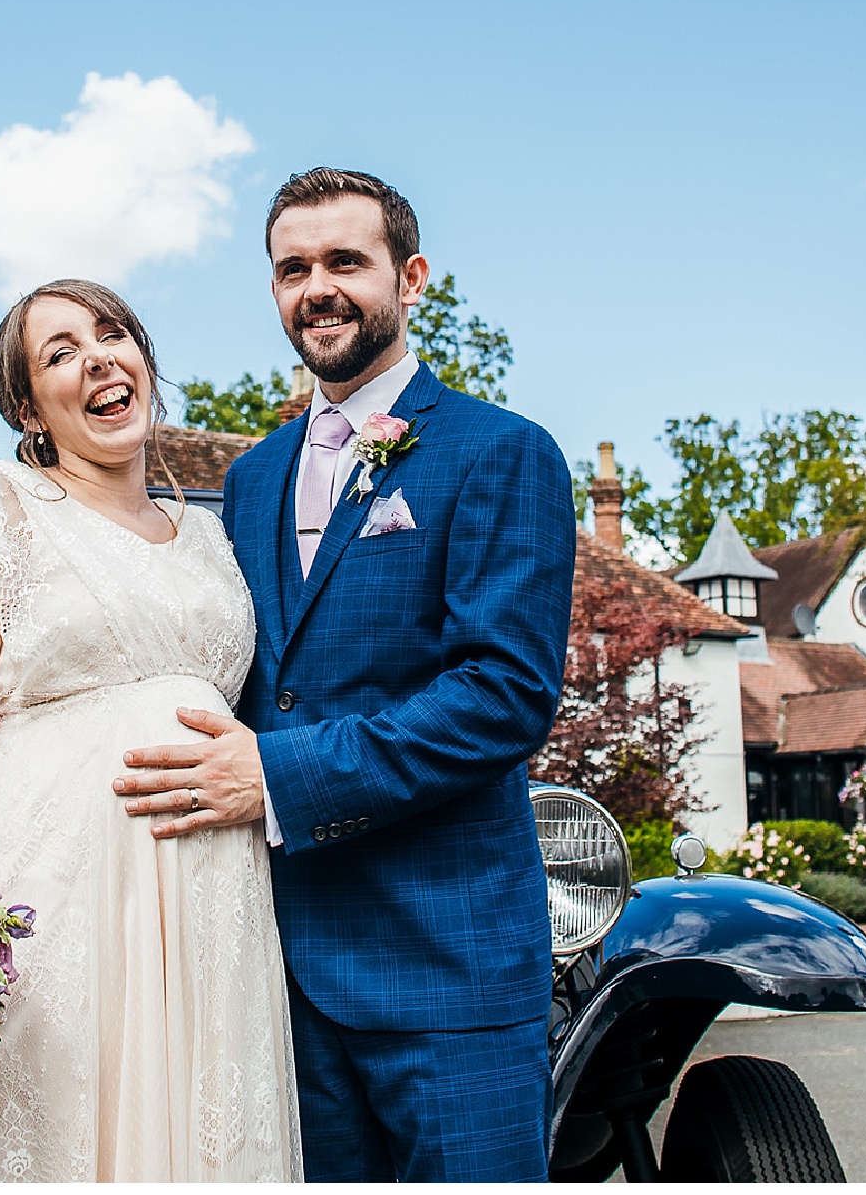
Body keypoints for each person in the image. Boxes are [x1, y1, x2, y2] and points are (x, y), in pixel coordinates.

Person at [112, 168, 577, 1181]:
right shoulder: (251, 476)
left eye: (344, 262)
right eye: (292, 268)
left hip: (446, 971)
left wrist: (278, 777)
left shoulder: (504, 453)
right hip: (273, 977)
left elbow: (504, 695)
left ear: (410, 279)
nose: (316, 287)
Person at [0, 280, 300, 1182]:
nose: (98, 359)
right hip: (59, 880)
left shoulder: (211, 534)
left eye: (112, 334)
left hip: (214, 891)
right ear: (27, 408)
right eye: (61, 352)